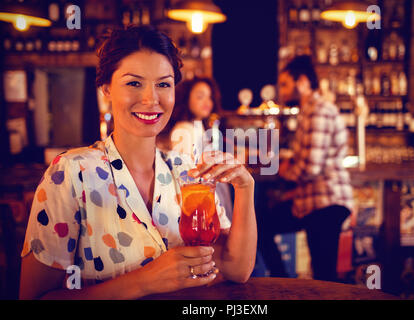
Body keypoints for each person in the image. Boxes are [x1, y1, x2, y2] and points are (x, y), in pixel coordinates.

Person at [19, 25, 257, 300]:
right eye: (134, 83)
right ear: (106, 87)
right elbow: (34, 297)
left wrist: (245, 188)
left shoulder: (187, 171)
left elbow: (236, 268)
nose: (150, 99)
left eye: (163, 84)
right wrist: (143, 282)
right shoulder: (71, 174)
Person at [257, 55, 353, 281]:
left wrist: (282, 169)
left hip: (326, 202)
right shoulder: (310, 110)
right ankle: (284, 283)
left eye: (285, 84)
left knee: (325, 276)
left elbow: (311, 167)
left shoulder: (318, 110)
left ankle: (284, 283)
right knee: (262, 228)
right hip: (312, 202)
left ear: (301, 82)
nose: (282, 91)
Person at [160, 77, 233, 221]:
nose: (207, 102)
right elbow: (184, 172)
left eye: (210, 97)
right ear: (186, 99)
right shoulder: (184, 129)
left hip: (210, 188)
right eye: (200, 97)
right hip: (199, 192)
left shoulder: (198, 127)